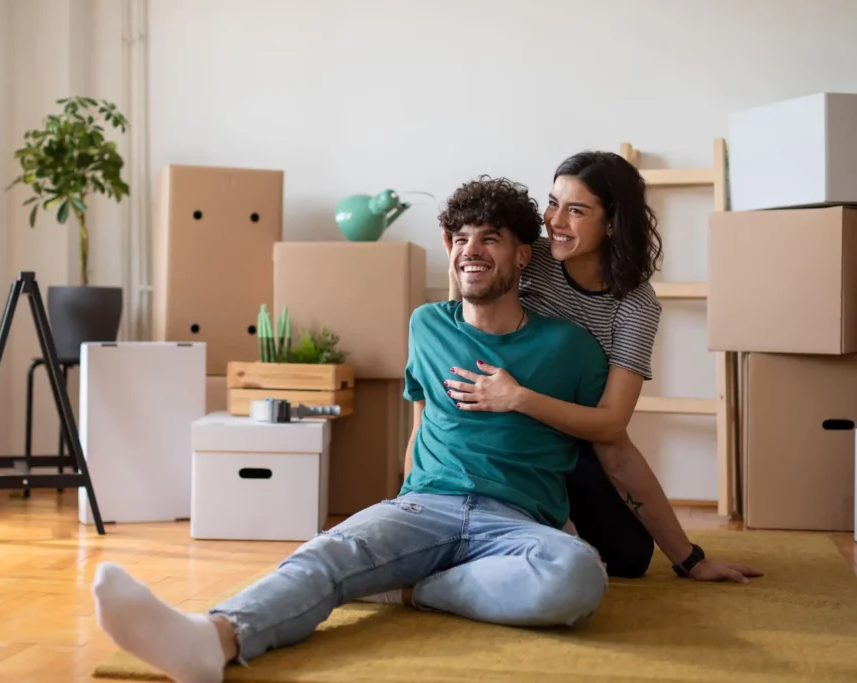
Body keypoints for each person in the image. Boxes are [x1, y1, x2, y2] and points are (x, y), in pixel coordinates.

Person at [92, 177, 617, 683]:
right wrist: (401, 501)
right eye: (460, 239)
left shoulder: (569, 347)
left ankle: (409, 591)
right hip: (424, 505)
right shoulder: (427, 324)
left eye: (489, 239)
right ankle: (211, 638)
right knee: (325, 552)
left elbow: (612, 438)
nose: (470, 250)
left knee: (578, 574)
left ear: (524, 254)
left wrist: (678, 550)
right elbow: (419, 424)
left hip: (515, 519)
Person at [440, 151, 763, 583]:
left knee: (628, 556)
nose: (555, 221)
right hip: (494, 426)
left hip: (565, 429)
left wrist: (690, 559)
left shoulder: (633, 304)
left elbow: (611, 426)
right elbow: (465, 301)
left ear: (612, 222)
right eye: (553, 203)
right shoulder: (525, 254)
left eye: (576, 210)